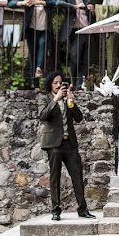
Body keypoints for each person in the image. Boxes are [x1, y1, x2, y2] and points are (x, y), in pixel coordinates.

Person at [38, 71, 96, 221]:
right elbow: (43, 116)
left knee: (77, 175)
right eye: (55, 83)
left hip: (70, 144)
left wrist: (73, 102)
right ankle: (55, 211)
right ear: (50, 85)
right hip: (54, 144)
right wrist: (55, 100)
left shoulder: (67, 99)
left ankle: (82, 210)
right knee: (55, 177)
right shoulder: (44, 98)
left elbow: (78, 118)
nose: (58, 85)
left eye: (61, 83)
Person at [9, 0, 60, 84]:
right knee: (33, 55)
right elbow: (11, 3)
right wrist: (23, 3)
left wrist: (38, 2)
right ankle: (35, 83)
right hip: (32, 31)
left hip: (44, 30)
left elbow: (55, 3)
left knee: (43, 45)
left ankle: (39, 68)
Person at [57, 0, 95, 88]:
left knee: (86, 59)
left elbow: (90, 15)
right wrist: (75, 6)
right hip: (75, 31)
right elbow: (58, 3)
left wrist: (91, 10)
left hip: (86, 30)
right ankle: (73, 81)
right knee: (75, 57)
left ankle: (80, 83)